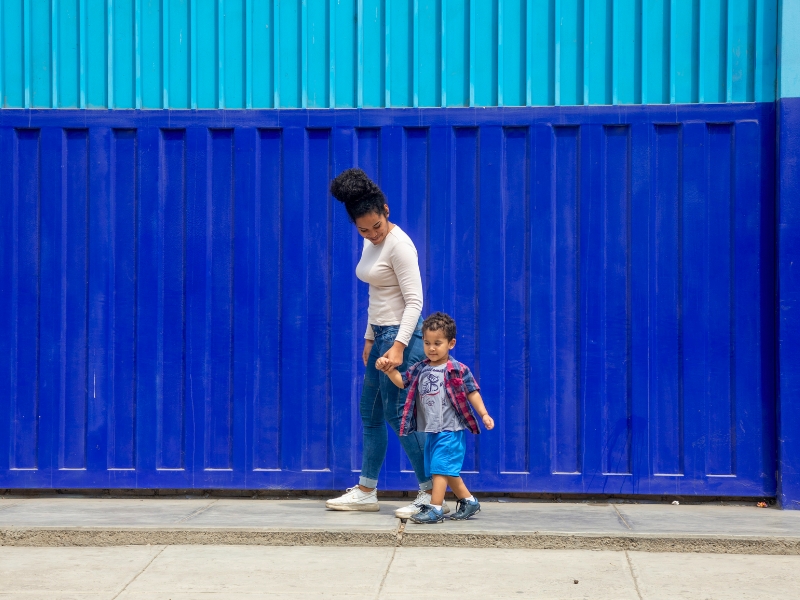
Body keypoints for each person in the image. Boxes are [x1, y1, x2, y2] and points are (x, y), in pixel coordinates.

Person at [325, 168, 449, 518]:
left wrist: (397, 345)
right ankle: (366, 490)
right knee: (371, 413)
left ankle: (429, 494)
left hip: (401, 338)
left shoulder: (400, 245)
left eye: (376, 226)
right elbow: (376, 291)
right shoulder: (370, 241)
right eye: (363, 229)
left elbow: (415, 302)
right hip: (380, 336)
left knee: (401, 416)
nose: (372, 234)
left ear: (387, 210)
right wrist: (370, 335)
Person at [376, 312, 494, 523]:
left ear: (451, 343)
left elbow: (472, 391)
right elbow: (402, 382)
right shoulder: (420, 368)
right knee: (444, 470)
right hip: (431, 430)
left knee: (439, 469)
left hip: (450, 429)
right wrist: (388, 371)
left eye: (437, 343)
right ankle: (469, 501)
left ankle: (435, 508)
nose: (431, 348)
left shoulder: (457, 369)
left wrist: (483, 414)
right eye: (427, 343)